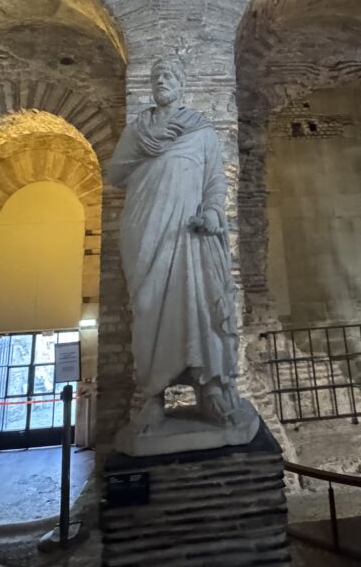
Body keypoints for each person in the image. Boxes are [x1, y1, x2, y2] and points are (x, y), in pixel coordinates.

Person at [108, 57, 250, 441]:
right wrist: (146, 143)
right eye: (157, 76)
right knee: (149, 307)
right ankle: (153, 398)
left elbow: (214, 182)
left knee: (199, 307)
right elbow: (116, 173)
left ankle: (211, 390)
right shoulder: (138, 131)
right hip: (145, 230)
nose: (162, 81)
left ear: (182, 84)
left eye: (169, 75)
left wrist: (213, 213)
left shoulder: (201, 131)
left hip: (190, 233)